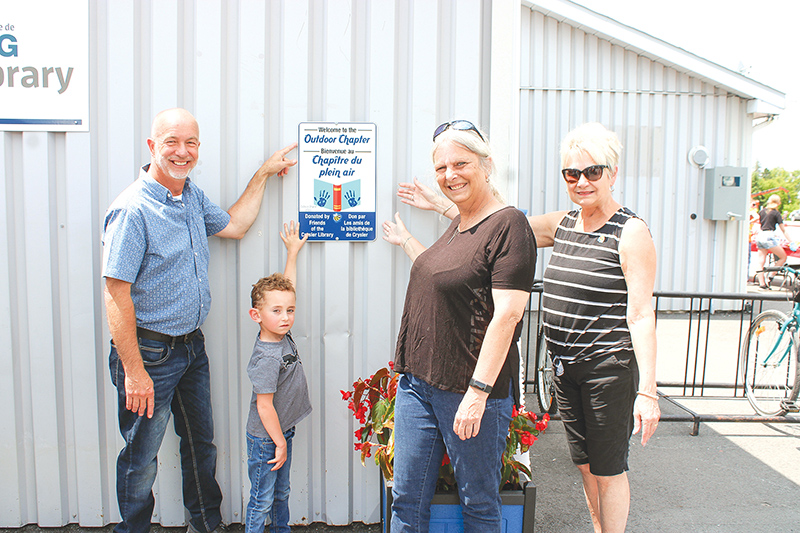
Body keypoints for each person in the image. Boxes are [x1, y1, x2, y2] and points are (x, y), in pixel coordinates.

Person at [398, 122, 659, 533]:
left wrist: (648, 392)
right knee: (587, 468)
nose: (582, 181)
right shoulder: (565, 224)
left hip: (607, 367)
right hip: (565, 366)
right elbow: (494, 224)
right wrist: (440, 203)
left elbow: (642, 314)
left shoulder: (630, 231)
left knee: (608, 470)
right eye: (572, 173)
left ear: (613, 173)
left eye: (593, 171)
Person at [102, 108, 298, 533]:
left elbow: (235, 224)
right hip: (149, 353)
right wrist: (134, 371)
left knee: (199, 446)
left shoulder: (190, 197)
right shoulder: (133, 210)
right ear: (153, 146)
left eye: (191, 143)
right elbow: (115, 293)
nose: (182, 151)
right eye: (172, 142)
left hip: (192, 347)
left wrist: (263, 173)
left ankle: (207, 525)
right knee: (141, 456)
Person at [382, 120, 537, 532]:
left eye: (460, 164)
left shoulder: (510, 226)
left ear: (486, 165)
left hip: (469, 391)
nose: (450, 175)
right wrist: (409, 236)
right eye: (441, 167)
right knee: (406, 500)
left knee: (478, 503)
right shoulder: (460, 222)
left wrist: (478, 393)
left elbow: (508, 314)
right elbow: (438, 275)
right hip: (419, 383)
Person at [245, 221, 311, 533]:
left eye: (290, 310)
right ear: (256, 315)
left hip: (282, 432)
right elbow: (263, 406)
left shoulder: (280, 334)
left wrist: (293, 253)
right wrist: (279, 443)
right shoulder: (266, 356)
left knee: (280, 493)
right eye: (277, 311)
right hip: (266, 439)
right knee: (262, 498)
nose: (285, 317)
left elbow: (287, 287)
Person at [754, 194, 790, 290]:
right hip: (769, 236)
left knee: (760, 261)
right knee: (783, 257)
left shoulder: (762, 211)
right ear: (778, 203)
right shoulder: (775, 213)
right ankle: (770, 277)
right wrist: (791, 241)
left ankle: (762, 283)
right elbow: (783, 229)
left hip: (760, 235)